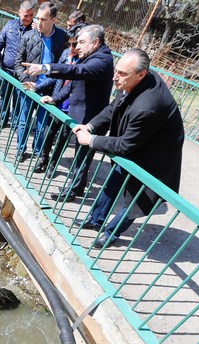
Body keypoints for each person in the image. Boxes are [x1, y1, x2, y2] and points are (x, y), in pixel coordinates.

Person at [73, 48, 185, 248]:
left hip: (156, 154)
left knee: (138, 198)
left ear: (141, 74)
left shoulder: (148, 106)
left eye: (122, 73)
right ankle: (95, 219)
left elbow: (125, 145)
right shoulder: (130, 81)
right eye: (116, 70)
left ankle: (111, 232)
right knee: (115, 179)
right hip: (138, 139)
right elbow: (113, 108)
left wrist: (91, 140)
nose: (115, 77)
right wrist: (89, 126)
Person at [24, 24, 113, 197]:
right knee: (72, 150)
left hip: (91, 119)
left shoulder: (103, 60)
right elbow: (73, 84)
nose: (77, 47)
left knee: (82, 157)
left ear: (95, 42)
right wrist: (55, 98)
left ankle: (73, 191)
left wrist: (45, 68)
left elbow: (76, 71)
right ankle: (74, 186)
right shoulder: (90, 56)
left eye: (81, 42)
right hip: (77, 114)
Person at [14, 2, 67, 162]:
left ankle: (37, 152)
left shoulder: (62, 37)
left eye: (43, 19)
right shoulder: (28, 36)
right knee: (23, 121)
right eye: (38, 18)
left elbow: (63, 67)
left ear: (54, 20)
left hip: (48, 90)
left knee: (42, 125)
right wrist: (25, 81)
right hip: (29, 87)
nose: (38, 22)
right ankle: (20, 150)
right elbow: (18, 63)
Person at [0, 1, 36, 128]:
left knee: (18, 98)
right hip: (6, 70)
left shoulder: (35, 29)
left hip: (23, 72)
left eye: (31, 15)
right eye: (26, 15)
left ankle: (14, 123)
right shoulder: (10, 26)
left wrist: (37, 33)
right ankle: (3, 119)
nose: (29, 18)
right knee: (4, 96)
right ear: (19, 13)